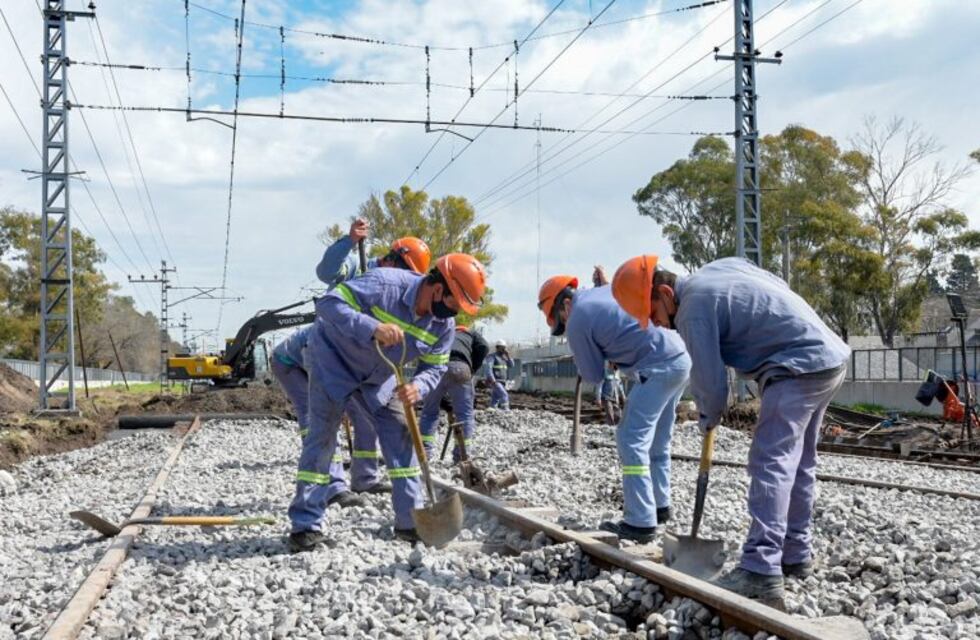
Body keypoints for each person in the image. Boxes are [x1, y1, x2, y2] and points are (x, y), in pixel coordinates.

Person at [611, 255, 850, 607]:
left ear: (664, 293)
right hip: (828, 358)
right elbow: (773, 286)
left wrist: (708, 415)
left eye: (655, 314)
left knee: (771, 462)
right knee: (799, 463)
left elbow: (710, 383)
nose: (659, 325)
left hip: (796, 366)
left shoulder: (692, 308)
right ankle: (795, 554)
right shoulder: (718, 270)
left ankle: (760, 570)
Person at [288, 253, 487, 552]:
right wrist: (371, 327)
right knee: (323, 438)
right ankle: (305, 528)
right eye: (454, 302)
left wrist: (418, 387)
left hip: (380, 376)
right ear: (438, 288)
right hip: (333, 361)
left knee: (402, 433)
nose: (454, 311)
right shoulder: (384, 284)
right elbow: (329, 305)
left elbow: (435, 366)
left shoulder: (443, 327)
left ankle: (410, 523)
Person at [537, 275, 690, 543]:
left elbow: (594, 375)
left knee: (630, 439)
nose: (565, 326)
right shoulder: (602, 291)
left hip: (657, 367)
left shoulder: (578, 317)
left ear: (563, 306)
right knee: (659, 442)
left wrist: (595, 355)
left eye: (560, 321)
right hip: (679, 359)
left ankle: (640, 522)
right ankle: (660, 506)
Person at [314, 218, 433, 494]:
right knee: (327, 422)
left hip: (371, 365)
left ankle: (365, 479)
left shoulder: (404, 294)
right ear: (392, 261)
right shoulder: (358, 268)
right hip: (338, 355)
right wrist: (349, 242)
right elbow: (325, 271)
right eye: (405, 272)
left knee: (369, 419)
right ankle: (331, 488)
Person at [271, 325, 350, 507]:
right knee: (314, 414)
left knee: (328, 413)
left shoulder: (349, 332)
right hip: (287, 363)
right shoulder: (326, 336)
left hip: (304, 361)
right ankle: (333, 486)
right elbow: (323, 379)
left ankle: (331, 475)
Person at [418, 325, 489, 461]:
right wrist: (472, 367)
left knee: (429, 412)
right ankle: (461, 456)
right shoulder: (470, 333)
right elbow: (484, 347)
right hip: (460, 368)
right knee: (465, 414)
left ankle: (424, 454)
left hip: (436, 367)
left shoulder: (440, 331)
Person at [487, 340, 513, 409]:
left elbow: (511, 365)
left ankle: (492, 410)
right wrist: (493, 380)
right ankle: (506, 410)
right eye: (502, 347)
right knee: (504, 395)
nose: (504, 349)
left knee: (495, 398)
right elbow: (488, 369)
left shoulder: (504, 357)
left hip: (503, 381)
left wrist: (508, 356)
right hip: (496, 381)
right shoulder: (492, 357)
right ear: (497, 347)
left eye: (504, 347)